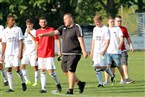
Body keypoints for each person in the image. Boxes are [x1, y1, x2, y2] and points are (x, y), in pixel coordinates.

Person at [38, 13, 88, 95]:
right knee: (65, 72)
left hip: (74, 53)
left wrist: (84, 51)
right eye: (64, 19)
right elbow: (54, 33)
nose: (64, 21)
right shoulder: (63, 28)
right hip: (66, 54)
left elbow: (81, 40)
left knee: (71, 70)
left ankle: (70, 90)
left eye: (65, 19)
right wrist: (44, 34)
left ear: (70, 19)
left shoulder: (77, 27)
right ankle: (80, 83)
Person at [35, 17, 62, 93]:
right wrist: (36, 54)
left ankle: (58, 83)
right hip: (41, 54)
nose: (43, 23)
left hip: (49, 54)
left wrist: (59, 51)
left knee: (51, 72)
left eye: (44, 22)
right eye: (41, 22)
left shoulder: (51, 30)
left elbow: (57, 39)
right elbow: (37, 42)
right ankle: (43, 88)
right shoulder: (37, 31)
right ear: (39, 23)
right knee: (42, 71)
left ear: (46, 22)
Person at [1, 15, 27, 92]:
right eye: (12, 20)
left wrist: (21, 53)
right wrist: (2, 56)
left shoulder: (18, 29)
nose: (14, 21)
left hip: (16, 52)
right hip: (8, 54)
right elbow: (3, 43)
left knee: (17, 69)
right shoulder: (5, 31)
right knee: (8, 69)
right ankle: (11, 88)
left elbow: (20, 41)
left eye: (14, 20)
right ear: (8, 21)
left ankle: (23, 82)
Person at [90, 15, 115, 87]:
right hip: (96, 51)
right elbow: (94, 40)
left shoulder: (105, 29)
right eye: (95, 22)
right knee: (97, 66)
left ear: (101, 21)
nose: (96, 24)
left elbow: (108, 41)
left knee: (103, 66)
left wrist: (105, 50)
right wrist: (92, 51)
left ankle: (112, 75)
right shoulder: (95, 29)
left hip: (103, 51)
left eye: (97, 22)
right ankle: (100, 83)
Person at [104, 16, 125, 85]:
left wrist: (120, 44)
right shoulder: (106, 29)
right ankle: (106, 81)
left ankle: (123, 79)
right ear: (108, 22)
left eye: (113, 21)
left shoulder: (117, 29)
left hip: (116, 51)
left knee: (119, 65)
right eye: (111, 22)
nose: (113, 23)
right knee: (107, 66)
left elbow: (121, 38)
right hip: (108, 51)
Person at [114, 16, 134, 84]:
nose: (119, 22)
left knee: (124, 64)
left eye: (120, 21)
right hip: (113, 51)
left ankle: (127, 78)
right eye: (118, 21)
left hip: (122, 50)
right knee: (112, 66)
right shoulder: (111, 29)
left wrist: (131, 45)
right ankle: (110, 79)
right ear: (114, 21)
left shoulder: (124, 29)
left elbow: (128, 37)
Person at [21, 19, 39, 86]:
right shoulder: (26, 31)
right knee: (22, 66)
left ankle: (36, 81)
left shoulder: (35, 31)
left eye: (30, 24)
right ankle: (27, 80)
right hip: (26, 53)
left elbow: (36, 40)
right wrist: (24, 50)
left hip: (33, 52)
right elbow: (25, 41)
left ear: (32, 24)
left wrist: (30, 33)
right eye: (27, 24)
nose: (28, 26)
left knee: (35, 67)